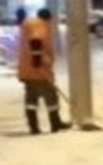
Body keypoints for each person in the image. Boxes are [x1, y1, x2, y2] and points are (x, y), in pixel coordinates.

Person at [18, 7, 70, 135]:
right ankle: (55, 124)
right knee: (51, 97)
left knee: (31, 99)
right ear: (48, 18)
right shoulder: (40, 25)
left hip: (26, 69)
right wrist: (37, 60)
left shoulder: (28, 25)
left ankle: (34, 127)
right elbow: (36, 40)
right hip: (39, 69)